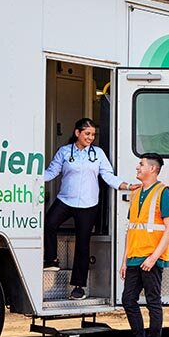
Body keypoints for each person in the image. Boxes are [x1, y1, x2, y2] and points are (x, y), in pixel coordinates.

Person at [43, 118, 139, 300]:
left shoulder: (98, 153)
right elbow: (51, 172)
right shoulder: (64, 152)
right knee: (49, 223)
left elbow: (108, 175)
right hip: (65, 199)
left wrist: (125, 186)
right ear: (77, 133)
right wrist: (32, 178)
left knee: (82, 244)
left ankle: (78, 287)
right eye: (87, 134)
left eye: (93, 135)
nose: (90, 137)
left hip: (88, 205)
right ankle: (51, 259)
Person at [116, 153, 169, 337]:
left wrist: (154, 257)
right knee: (128, 300)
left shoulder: (163, 193)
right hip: (134, 257)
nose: (137, 167)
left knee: (153, 302)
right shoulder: (135, 194)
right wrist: (124, 260)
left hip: (151, 258)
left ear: (153, 169)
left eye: (141, 164)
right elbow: (131, 230)